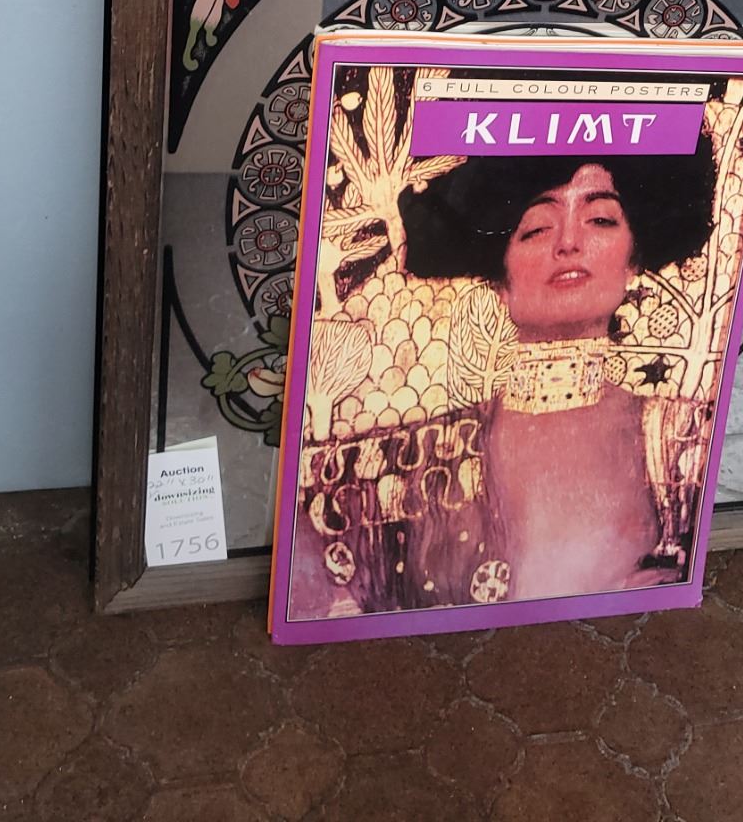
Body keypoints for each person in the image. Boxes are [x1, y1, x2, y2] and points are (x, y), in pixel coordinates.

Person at [290, 138, 718, 619]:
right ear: (499, 275)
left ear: (634, 259)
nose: (569, 243)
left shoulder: (682, 441)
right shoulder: (387, 471)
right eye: (537, 228)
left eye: (600, 220)